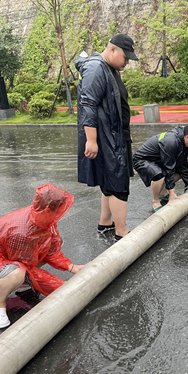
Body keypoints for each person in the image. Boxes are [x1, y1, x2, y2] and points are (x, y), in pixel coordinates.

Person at [0, 184, 90, 329]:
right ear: (49, 209)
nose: (61, 213)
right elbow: (25, 266)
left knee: (56, 243)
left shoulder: (42, 217)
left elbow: (52, 249)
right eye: (60, 210)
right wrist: (61, 287)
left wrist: (73, 268)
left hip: (8, 258)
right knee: (17, 273)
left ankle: (20, 281)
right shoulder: (22, 232)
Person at [75, 33, 138, 241]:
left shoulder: (107, 67)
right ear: (113, 50)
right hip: (106, 137)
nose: (127, 62)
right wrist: (91, 140)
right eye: (126, 58)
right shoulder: (96, 68)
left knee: (110, 181)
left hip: (113, 135)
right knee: (118, 184)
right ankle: (122, 231)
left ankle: (105, 223)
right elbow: (88, 105)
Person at [133, 123, 188, 212]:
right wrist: (172, 192)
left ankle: (163, 192)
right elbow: (169, 167)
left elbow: (182, 166)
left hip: (159, 160)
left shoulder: (185, 145)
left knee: (180, 171)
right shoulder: (171, 142)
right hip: (143, 160)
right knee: (159, 175)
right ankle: (155, 202)